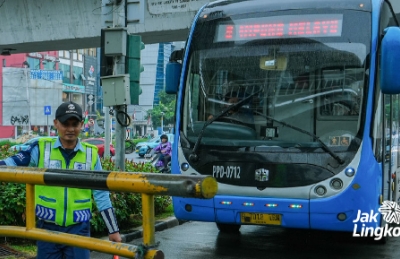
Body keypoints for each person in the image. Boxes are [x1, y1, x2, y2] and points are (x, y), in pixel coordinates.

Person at [0, 101, 121, 259]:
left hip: (79, 228)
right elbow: (10, 164)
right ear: (56, 123)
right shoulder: (41, 148)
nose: (70, 129)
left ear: (82, 125)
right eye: (65, 124)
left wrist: (113, 230)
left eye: (75, 124)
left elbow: (101, 193)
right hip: (47, 227)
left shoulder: (91, 155)